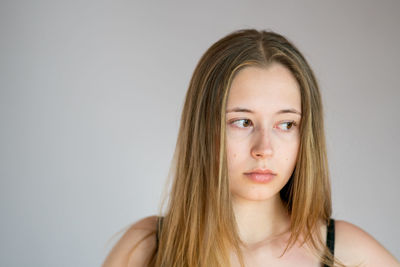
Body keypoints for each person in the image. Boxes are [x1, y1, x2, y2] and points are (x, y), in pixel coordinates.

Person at [103, 29, 399, 267]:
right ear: (204, 130)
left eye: (286, 125)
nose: (264, 149)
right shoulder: (146, 248)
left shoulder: (348, 254)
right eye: (242, 122)